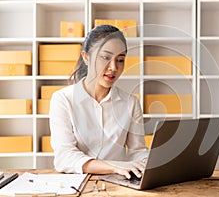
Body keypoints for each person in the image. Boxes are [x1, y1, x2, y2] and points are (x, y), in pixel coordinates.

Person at [49, 25, 148, 179]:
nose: (114, 67)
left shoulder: (131, 103)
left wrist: (148, 162)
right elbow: (64, 157)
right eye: (106, 57)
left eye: (120, 60)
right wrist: (114, 167)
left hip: (120, 183)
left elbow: (137, 151)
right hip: (79, 183)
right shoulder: (63, 99)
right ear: (86, 57)